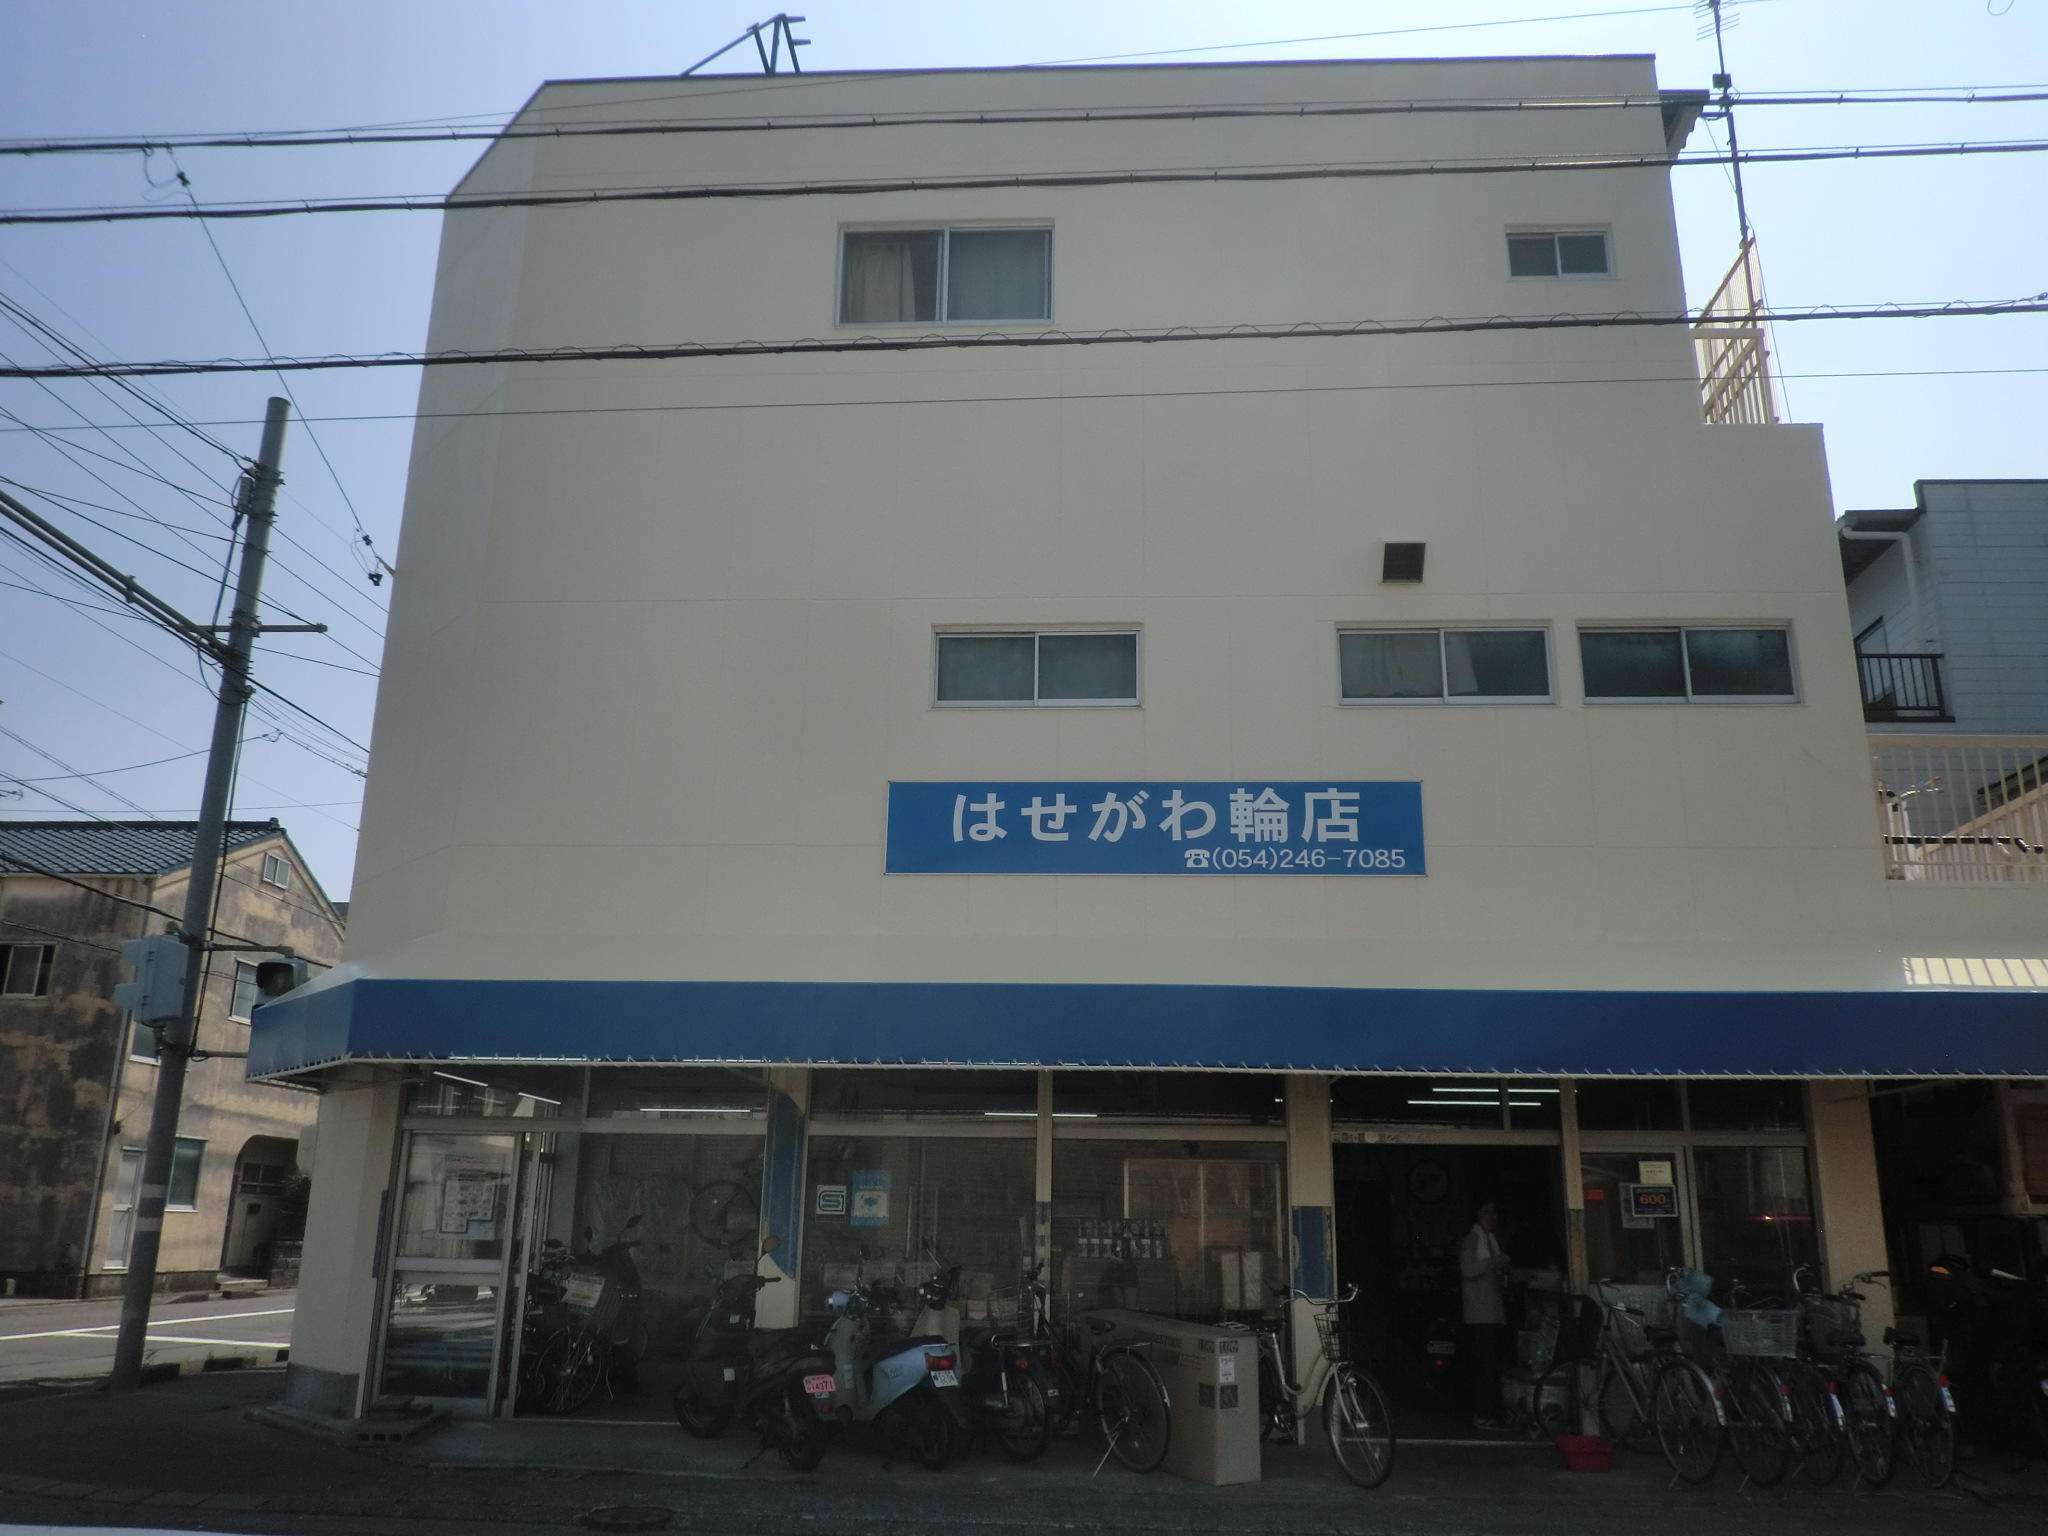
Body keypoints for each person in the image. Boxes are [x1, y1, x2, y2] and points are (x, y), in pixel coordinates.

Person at [1459, 1196, 1512, 1430]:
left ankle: (1491, 1412)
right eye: (1486, 1212)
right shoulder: (1473, 1240)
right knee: (1484, 1365)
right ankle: (1481, 1414)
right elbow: (1468, 1269)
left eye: (1494, 1212)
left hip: (1493, 1312)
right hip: (1479, 1314)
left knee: (1490, 1364)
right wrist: (1494, 1262)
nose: (1492, 1217)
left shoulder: (1491, 1240)